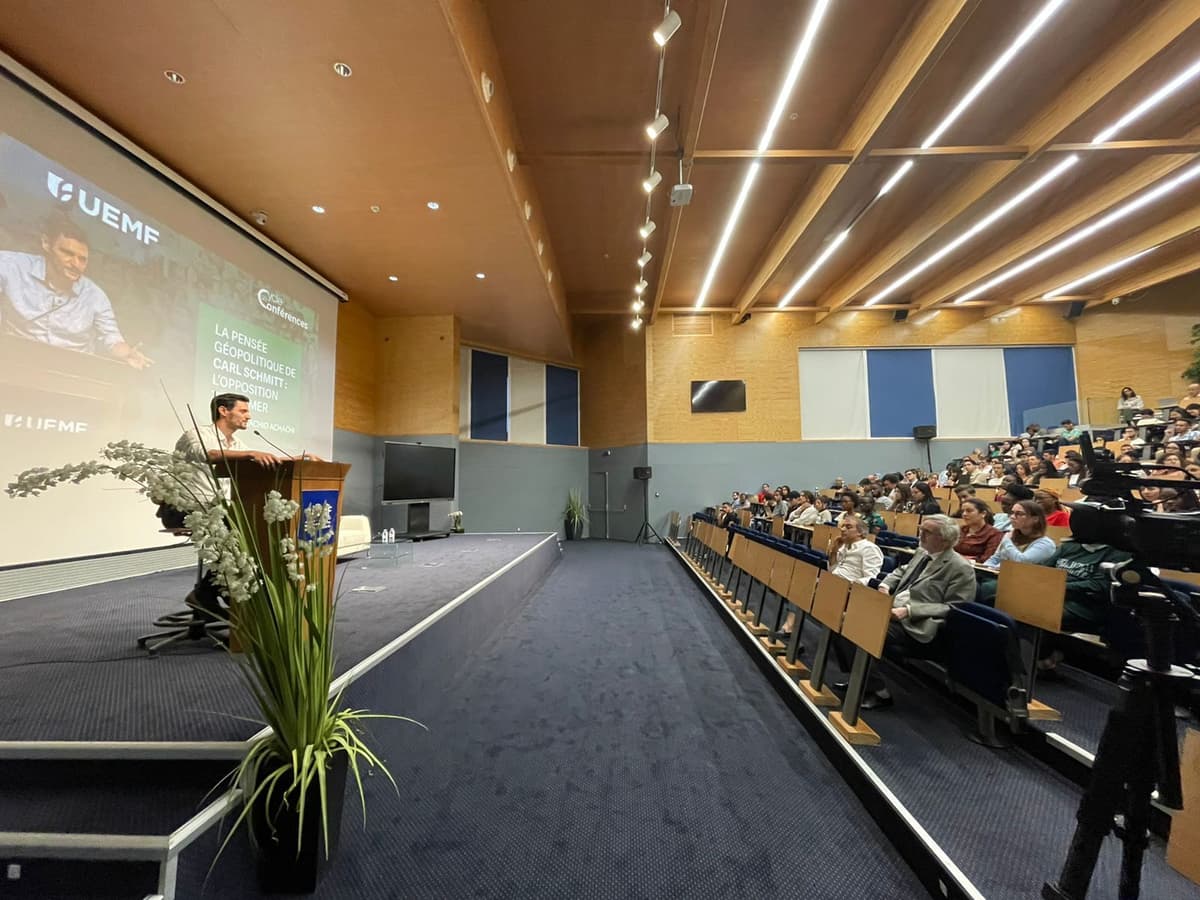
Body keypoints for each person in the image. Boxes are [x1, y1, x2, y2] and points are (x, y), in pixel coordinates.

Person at [173, 393, 284, 622]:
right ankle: (207, 597)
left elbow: (255, 464)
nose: (248, 416)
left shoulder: (238, 445)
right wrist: (250, 454)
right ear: (223, 411)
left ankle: (209, 597)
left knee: (255, 536)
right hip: (187, 509)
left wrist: (297, 459)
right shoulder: (197, 434)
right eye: (243, 411)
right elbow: (209, 454)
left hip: (220, 511)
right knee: (242, 539)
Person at [849, 516, 977, 709]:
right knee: (843, 618)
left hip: (916, 624)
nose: (920, 535)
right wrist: (884, 585)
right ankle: (859, 679)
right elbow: (901, 571)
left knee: (859, 628)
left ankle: (878, 692)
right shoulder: (922, 552)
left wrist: (909, 610)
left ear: (944, 539)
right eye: (921, 529)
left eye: (927, 532)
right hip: (891, 610)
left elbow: (955, 606)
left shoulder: (960, 568)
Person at [0, 217, 153, 368]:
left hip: (71, 371)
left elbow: (112, 338)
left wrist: (127, 353)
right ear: (46, 243)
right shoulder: (9, 265)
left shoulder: (95, 296)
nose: (75, 264)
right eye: (67, 253)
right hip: (14, 362)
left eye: (82, 259)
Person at [981, 499, 1056, 571]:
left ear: (1035, 519)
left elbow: (1021, 562)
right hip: (998, 574)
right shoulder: (1011, 536)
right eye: (1012, 513)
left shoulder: (1046, 544)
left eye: (1019, 514)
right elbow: (995, 559)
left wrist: (1007, 541)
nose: (1012, 517)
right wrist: (985, 568)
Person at [829, 515, 884, 584]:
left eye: (848, 527)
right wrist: (834, 551)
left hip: (849, 586)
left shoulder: (869, 548)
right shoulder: (843, 546)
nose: (842, 529)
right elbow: (833, 570)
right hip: (833, 581)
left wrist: (852, 585)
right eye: (842, 526)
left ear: (860, 532)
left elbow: (871, 578)